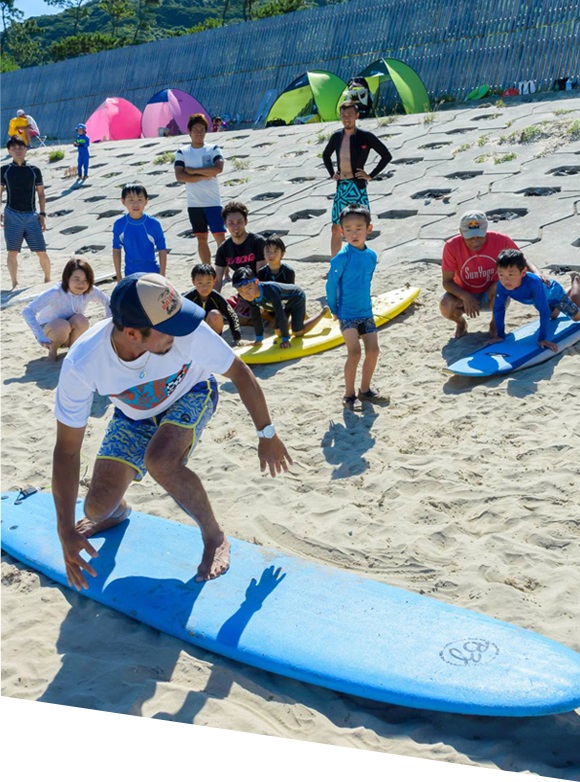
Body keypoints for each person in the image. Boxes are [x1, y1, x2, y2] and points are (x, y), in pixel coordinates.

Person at [52, 272, 292, 591]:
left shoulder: (186, 331)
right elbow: (67, 449)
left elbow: (240, 373)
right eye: (169, 328)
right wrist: (65, 530)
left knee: (160, 460)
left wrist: (267, 433)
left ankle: (215, 536)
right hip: (133, 415)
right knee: (95, 507)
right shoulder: (83, 363)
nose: (180, 332)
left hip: (193, 391)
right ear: (133, 333)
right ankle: (116, 511)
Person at [440, 210, 545, 339]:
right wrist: (466, 296)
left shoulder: (501, 240)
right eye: (470, 237)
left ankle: (495, 325)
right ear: (461, 232)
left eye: (479, 236)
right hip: (465, 295)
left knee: (499, 285)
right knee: (445, 304)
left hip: (493, 294)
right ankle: (461, 324)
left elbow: (522, 260)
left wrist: (537, 274)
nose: (475, 241)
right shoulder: (451, 246)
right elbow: (447, 282)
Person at [325, 204, 384, 411]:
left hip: (365, 311)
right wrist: (334, 308)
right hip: (347, 314)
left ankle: (365, 389)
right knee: (355, 353)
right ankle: (349, 395)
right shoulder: (342, 257)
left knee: (374, 351)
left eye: (359, 227)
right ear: (341, 232)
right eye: (348, 229)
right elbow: (331, 285)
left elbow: (364, 281)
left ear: (369, 228)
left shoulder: (371, 256)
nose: (353, 233)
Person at [322, 101, 392, 258]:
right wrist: (332, 172)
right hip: (342, 186)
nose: (346, 119)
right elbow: (326, 155)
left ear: (357, 116)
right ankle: (335, 265)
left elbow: (386, 155)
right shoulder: (336, 136)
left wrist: (371, 175)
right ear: (340, 116)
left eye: (350, 115)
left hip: (357, 186)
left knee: (359, 228)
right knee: (336, 228)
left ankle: (358, 262)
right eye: (343, 115)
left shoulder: (364, 136)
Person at [489, 249, 580, 352]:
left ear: (523, 272)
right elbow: (499, 309)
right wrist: (500, 335)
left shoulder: (533, 283)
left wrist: (542, 339)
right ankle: (567, 291)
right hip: (542, 299)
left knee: (577, 318)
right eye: (501, 274)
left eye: (510, 275)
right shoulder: (502, 285)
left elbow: (543, 311)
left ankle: (575, 280)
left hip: (555, 293)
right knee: (553, 316)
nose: (506, 280)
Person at [22, 257, 110, 361]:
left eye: (86, 280)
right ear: (67, 278)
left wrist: (108, 325)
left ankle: (73, 350)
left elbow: (108, 302)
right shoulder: (55, 293)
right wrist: (40, 336)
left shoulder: (90, 290)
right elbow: (27, 311)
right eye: (76, 279)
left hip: (70, 332)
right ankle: (52, 354)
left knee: (81, 320)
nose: (81, 284)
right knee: (62, 325)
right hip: (50, 333)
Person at [232, 266, 328, 348]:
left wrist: (286, 339)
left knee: (297, 333)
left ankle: (322, 314)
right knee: (278, 332)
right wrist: (259, 339)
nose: (246, 294)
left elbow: (280, 313)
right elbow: (256, 317)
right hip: (284, 304)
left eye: (249, 288)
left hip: (296, 298)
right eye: (241, 291)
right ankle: (298, 317)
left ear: (257, 282)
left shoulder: (269, 290)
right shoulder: (251, 297)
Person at [174, 113, 226, 265]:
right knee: (201, 238)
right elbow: (179, 176)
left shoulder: (213, 148)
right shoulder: (182, 152)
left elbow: (218, 169)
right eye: (195, 129)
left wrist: (192, 171)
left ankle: (225, 270)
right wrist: (204, 174)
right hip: (194, 204)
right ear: (189, 131)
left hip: (213, 202)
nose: (199, 132)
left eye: (202, 129)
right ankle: (207, 268)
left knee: (219, 237)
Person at [0, 136, 51, 289]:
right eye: (14, 148)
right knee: (12, 251)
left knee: (41, 250)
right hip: (12, 214)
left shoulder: (34, 170)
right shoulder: (4, 170)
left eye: (21, 147)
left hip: (31, 215)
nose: (18, 150)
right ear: (9, 151)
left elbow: (41, 194)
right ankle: (15, 283)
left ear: (26, 149)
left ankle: (48, 279)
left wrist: (42, 215)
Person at [112, 183, 168, 281]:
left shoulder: (153, 224)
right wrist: (119, 276)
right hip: (130, 275)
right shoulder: (120, 224)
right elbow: (116, 250)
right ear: (123, 201)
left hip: (152, 273)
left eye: (140, 200)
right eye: (131, 200)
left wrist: (162, 275)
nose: (135, 204)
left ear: (146, 201)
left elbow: (162, 250)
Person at [214, 201, 267, 292]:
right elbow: (218, 281)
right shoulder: (223, 249)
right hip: (243, 290)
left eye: (239, 222)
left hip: (261, 288)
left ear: (246, 221)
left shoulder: (258, 242)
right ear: (225, 224)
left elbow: (261, 277)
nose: (236, 227)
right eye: (231, 223)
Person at [184, 263, 242, 345]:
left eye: (208, 283)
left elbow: (232, 315)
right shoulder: (188, 298)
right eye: (200, 283)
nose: (204, 287)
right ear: (193, 281)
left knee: (215, 314)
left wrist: (237, 337)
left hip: (212, 333)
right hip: (193, 335)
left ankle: (213, 343)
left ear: (214, 281)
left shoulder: (216, 297)